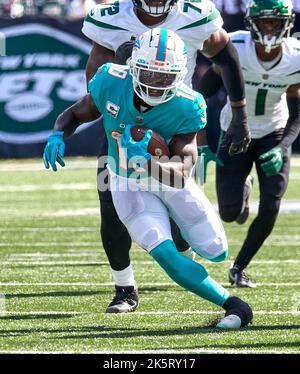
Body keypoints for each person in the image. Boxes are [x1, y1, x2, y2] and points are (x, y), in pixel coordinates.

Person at [43, 28, 253, 329]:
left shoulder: (188, 104)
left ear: (180, 75)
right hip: (126, 183)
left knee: (216, 250)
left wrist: (147, 162)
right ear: (134, 67)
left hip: (167, 179)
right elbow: (77, 112)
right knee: (165, 254)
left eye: (165, 77)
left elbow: (181, 172)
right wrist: (56, 133)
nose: (156, 84)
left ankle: (186, 244)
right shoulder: (110, 81)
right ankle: (233, 305)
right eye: (149, 74)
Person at [197, 0, 300, 287]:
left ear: (287, 24)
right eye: (264, 21)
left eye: (275, 22)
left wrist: (282, 147)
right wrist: (200, 141)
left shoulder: (296, 57)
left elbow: (298, 113)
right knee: (229, 214)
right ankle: (243, 188)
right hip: (235, 132)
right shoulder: (235, 47)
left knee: (271, 204)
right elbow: (200, 95)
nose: (269, 28)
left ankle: (240, 267)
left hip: (274, 132)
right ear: (251, 22)